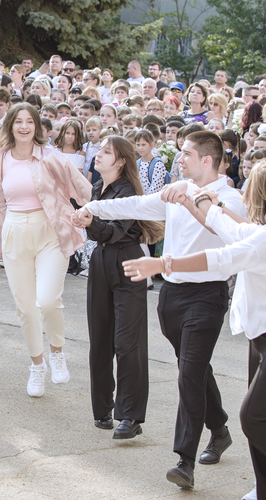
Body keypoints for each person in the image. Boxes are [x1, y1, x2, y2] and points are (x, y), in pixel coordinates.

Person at [123, 160, 266, 500]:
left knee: (255, 416)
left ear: (258, 194)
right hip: (264, 333)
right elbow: (225, 226)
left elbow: (222, 257)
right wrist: (198, 200)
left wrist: (162, 263)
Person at [76, 131, 244, 490]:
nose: (179, 159)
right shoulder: (174, 191)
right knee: (193, 368)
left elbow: (228, 232)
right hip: (171, 296)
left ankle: (184, 460)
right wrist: (92, 209)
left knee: (189, 374)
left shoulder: (230, 198)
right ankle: (220, 429)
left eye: (186, 154)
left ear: (207, 160)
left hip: (206, 296)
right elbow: (134, 205)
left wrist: (192, 198)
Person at [0, 103, 92, 397]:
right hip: (15, 232)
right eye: (18, 121)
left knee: (47, 300)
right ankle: (37, 365)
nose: (24, 127)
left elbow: (83, 189)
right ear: (10, 126)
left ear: (37, 127)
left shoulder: (51, 156)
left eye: (29, 122)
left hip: (51, 232)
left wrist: (92, 210)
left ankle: (57, 351)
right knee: (25, 308)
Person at [72, 135, 164, 436]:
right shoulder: (98, 188)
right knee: (100, 338)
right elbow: (98, 234)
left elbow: (115, 231)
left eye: (107, 152)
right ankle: (102, 409)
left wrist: (91, 223)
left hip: (128, 262)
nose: (99, 155)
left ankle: (131, 417)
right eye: (99, 150)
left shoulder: (128, 191)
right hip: (101, 262)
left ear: (121, 161)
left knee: (127, 341)